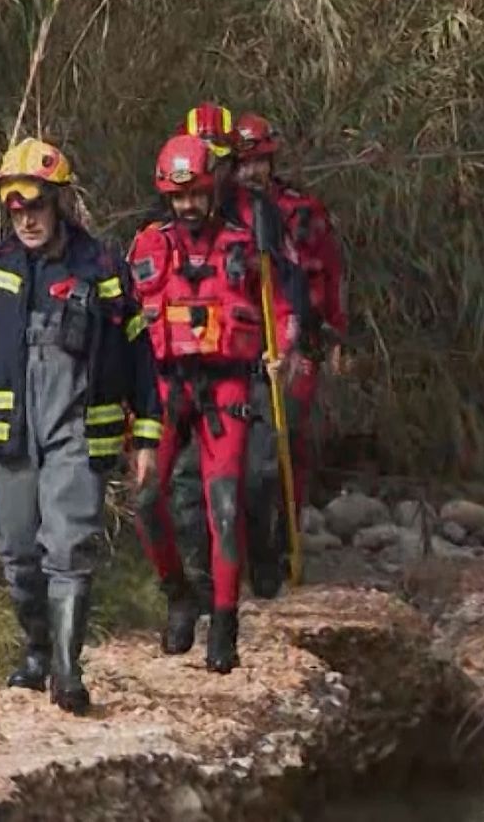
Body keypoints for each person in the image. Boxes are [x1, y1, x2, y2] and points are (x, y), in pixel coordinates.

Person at [0, 137, 161, 714]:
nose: (27, 219)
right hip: (9, 434)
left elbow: (140, 355)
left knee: (70, 545)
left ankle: (69, 675)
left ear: (59, 203)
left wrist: (146, 433)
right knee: (19, 552)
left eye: (37, 207)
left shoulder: (101, 269)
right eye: (16, 209)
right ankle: (38, 651)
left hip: (78, 430)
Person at [127, 134, 300, 673]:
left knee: (224, 504)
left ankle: (224, 622)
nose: (187, 206)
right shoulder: (147, 246)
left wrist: (285, 350)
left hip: (227, 384)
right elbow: (123, 318)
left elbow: (284, 304)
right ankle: (178, 594)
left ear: (211, 189)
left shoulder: (247, 244)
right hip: (163, 386)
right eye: (178, 198)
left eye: (196, 194)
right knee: (145, 499)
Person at [160, 102, 313, 602]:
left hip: (250, 364)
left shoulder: (260, 214)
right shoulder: (165, 221)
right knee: (186, 481)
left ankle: (263, 555)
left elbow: (288, 290)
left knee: (257, 473)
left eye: (222, 161)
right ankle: (201, 581)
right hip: (186, 370)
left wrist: (286, 346)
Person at [230, 111, 348, 589]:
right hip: (243, 346)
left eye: (259, 161)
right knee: (243, 449)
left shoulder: (302, 210)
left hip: (300, 343)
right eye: (242, 162)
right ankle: (245, 547)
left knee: (289, 440)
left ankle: (285, 540)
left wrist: (336, 336)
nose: (251, 171)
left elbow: (331, 274)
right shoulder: (225, 213)